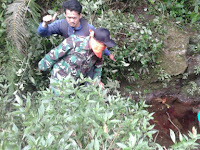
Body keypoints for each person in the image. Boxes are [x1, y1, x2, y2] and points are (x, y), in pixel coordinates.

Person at [37, 0, 115, 78]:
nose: (71, 20)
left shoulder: (88, 29)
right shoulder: (62, 25)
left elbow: (98, 44)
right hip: (67, 57)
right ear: (65, 15)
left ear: (80, 15)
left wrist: (108, 53)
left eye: (74, 18)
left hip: (84, 60)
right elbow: (43, 33)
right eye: (69, 17)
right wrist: (44, 24)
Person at [38, 28, 116, 93]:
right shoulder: (74, 42)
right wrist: (42, 67)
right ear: (96, 40)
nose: (104, 47)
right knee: (56, 105)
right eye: (103, 44)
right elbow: (54, 54)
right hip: (59, 79)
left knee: (69, 107)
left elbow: (98, 66)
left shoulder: (99, 52)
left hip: (75, 82)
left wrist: (97, 80)